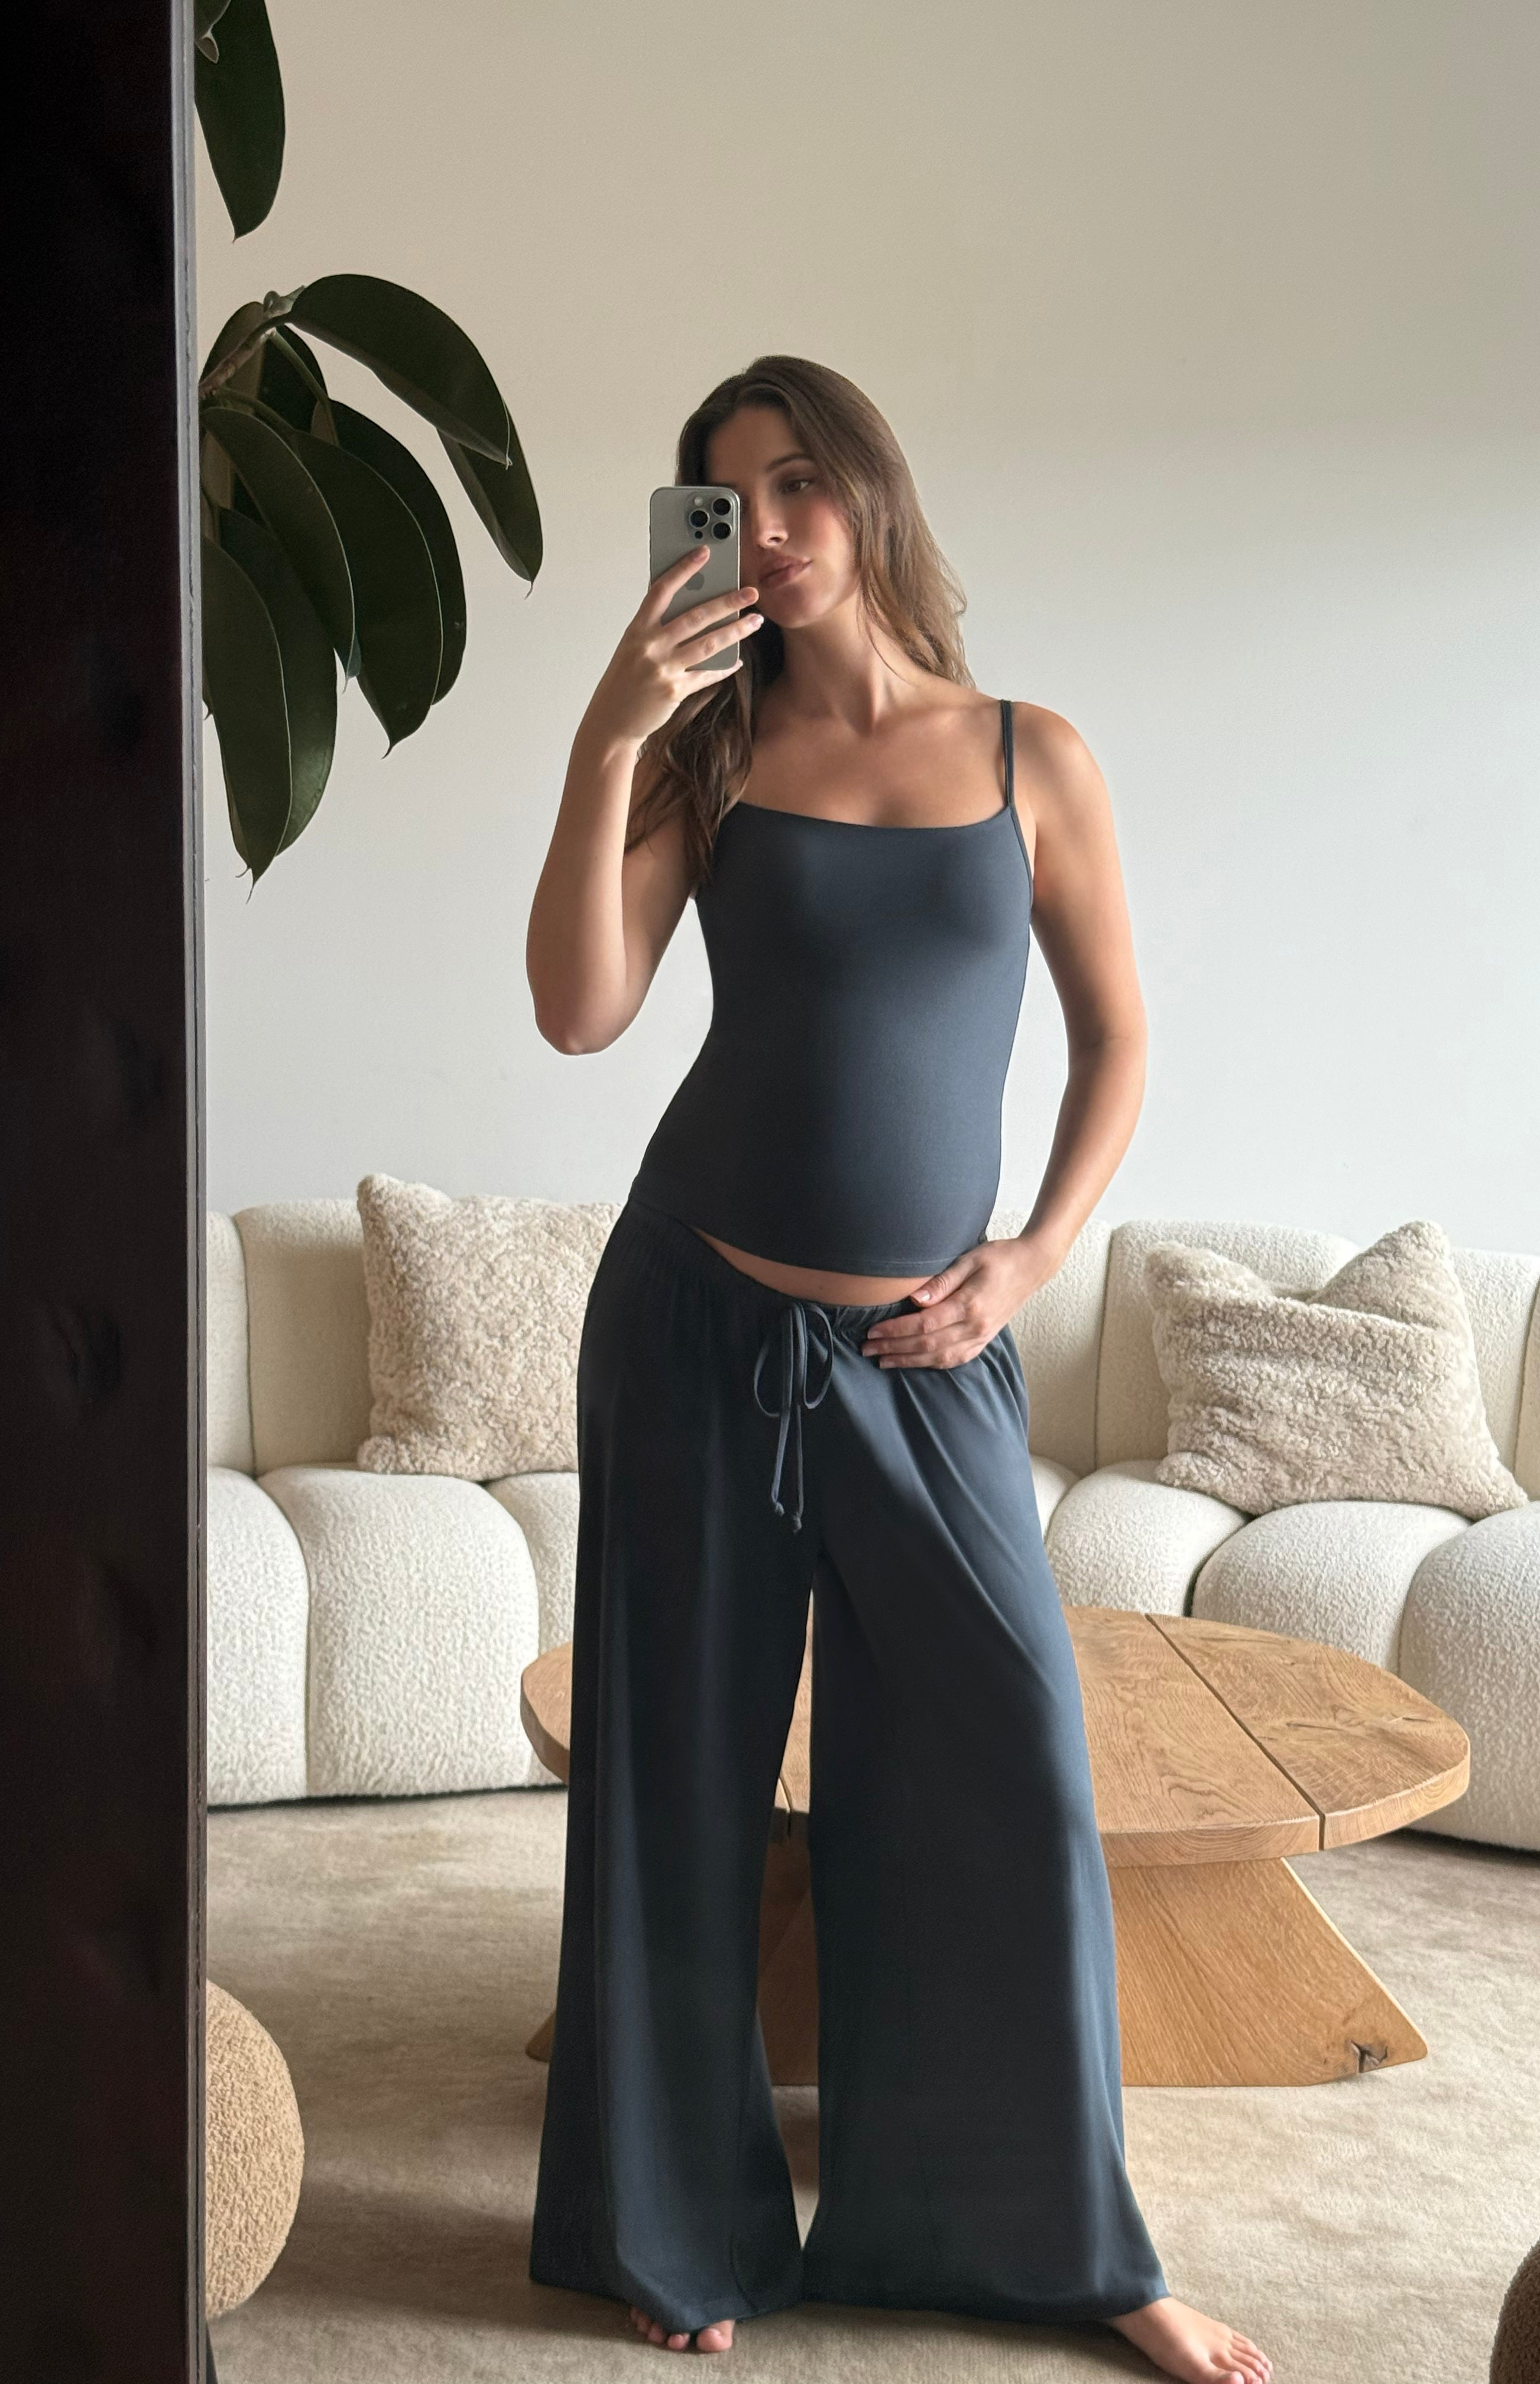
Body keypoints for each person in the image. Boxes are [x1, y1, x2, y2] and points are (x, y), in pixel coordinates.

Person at [523, 355, 1270, 2384]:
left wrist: (1030, 1258)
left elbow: (1116, 1043)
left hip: (928, 1355)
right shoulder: (705, 752)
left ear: (868, 495)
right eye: (724, 499)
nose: (764, 529)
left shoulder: (1033, 754)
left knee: (1006, 1771)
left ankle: (1056, 2250)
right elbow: (581, 1013)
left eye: (796, 485)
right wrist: (614, 735)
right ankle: (670, 2228)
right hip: (689, 1323)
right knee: (675, 1784)